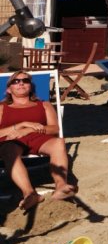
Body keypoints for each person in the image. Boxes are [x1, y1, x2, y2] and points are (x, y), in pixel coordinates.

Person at [0, 71, 78, 211]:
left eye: (25, 80)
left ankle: (60, 186)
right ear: (8, 89)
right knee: (9, 149)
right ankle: (29, 193)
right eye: (15, 81)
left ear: (30, 86)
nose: (21, 83)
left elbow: (54, 129)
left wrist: (29, 130)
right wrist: (22, 124)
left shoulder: (44, 105)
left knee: (59, 142)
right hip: (11, 140)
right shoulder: (2, 108)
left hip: (39, 138)